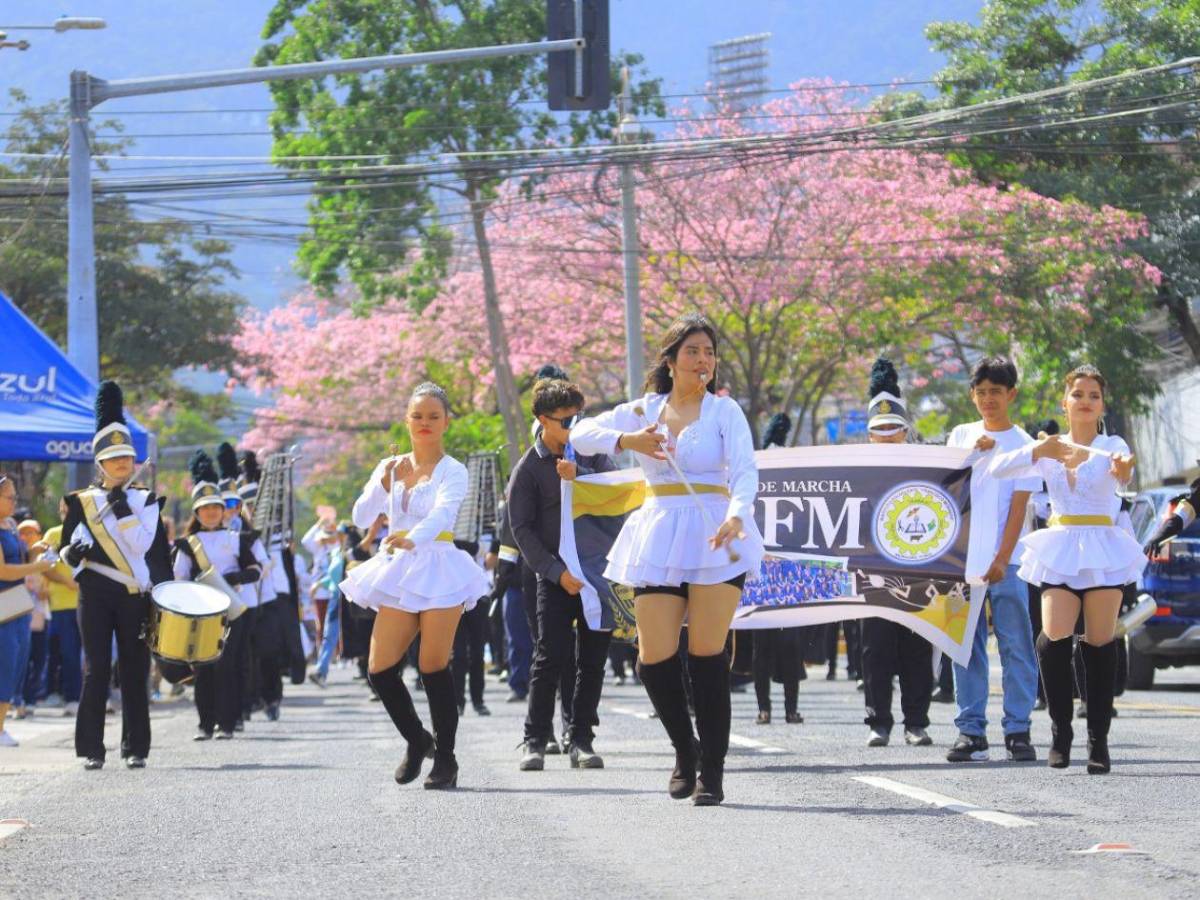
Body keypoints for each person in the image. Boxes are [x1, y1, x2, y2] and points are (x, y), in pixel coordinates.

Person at [571, 313, 764, 806]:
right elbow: (580, 433)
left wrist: (738, 515)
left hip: (715, 532)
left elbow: (745, 470)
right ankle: (685, 750)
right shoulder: (644, 410)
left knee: (706, 655)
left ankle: (712, 772)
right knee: (653, 658)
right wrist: (626, 441)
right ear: (671, 360)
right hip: (659, 532)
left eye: (709, 352)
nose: (703, 360)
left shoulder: (725, 411)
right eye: (692, 351)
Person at [982, 364, 1144, 774]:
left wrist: (1123, 470)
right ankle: (1061, 731)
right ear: (1065, 402)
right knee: (1054, 637)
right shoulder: (1049, 446)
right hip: (1061, 545)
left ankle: (1098, 740)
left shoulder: (1111, 443)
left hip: (1103, 547)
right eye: (1078, 394)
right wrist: (1039, 451)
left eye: (1094, 396)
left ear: (1102, 405)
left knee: (1100, 643)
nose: (1086, 401)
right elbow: (996, 469)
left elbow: (1123, 474)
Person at [341, 382, 490, 790]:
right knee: (379, 669)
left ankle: (446, 758)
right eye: (418, 416)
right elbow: (360, 517)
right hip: (399, 569)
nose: (425, 423)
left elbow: (443, 513)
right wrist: (384, 484)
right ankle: (416, 739)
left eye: (433, 416)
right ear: (407, 421)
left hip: (439, 565)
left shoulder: (453, 469)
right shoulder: (390, 466)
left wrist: (414, 537)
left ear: (446, 422)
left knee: (432, 664)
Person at [58, 381, 172, 770]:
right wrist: (72, 554)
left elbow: (140, 545)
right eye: (113, 458)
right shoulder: (80, 502)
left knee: (134, 671)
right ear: (100, 463)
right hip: (94, 592)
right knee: (95, 670)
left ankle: (136, 748)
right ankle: (91, 748)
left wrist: (122, 509)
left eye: (126, 456)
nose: (122, 463)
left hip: (133, 595)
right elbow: (65, 548)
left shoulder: (145, 500)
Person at [511, 378, 616, 773]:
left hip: (596, 574)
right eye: (566, 420)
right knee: (549, 657)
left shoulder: (593, 455)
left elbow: (615, 495)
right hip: (555, 578)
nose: (574, 426)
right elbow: (521, 529)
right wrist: (556, 573)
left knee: (593, 660)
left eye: (578, 417)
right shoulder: (528, 468)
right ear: (543, 420)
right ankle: (535, 739)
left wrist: (582, 476)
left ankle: (581, 738)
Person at [945, 357, 1040, 764]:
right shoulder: (961, 435)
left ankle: (1018, 728)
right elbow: (944, 489)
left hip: (1010, 560)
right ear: (972, 395)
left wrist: (1002, 558)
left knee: (1016, 643)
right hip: (962, 560)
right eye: (981, 392)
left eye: (996, 392)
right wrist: (971, 454)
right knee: (964, 645)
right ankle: (971, 731)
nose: (988, 399)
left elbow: (1019, 508)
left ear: (1011, 394)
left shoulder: (1024, 443)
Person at [858, 359, 935, 749]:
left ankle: (916, 722)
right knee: (875, 649)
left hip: (918, 569)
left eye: (893, 429)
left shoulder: (927, 466)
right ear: (869, 434)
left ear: (906, 430)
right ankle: (879, 722)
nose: (887, 436)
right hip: (872, 569)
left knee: (916, 647)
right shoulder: (854, 469)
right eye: (880, 430)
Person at [173, 451, 263, 740]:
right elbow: (179, 578)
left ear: (223, 510)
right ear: (197, 512)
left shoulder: (236, 539)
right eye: (205, 508)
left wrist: (235, 578)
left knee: (228, 667)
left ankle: (227, 723)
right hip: (201, 613)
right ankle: (205, 723)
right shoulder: (188, 544)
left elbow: (256, 570)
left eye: (215, 507)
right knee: (203, 669)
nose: (211, 512)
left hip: (232, 611)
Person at [0, 474, 54, 747]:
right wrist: (38, 566)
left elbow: (18, 559)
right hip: (3, 602)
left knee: (18, 662)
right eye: (9, 497)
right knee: (6, 661)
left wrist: (34, 551)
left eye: (14, 497)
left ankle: (2, 724)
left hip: (18, 602)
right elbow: (3, 571)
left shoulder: (10, 525)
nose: (14, 502)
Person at [39, 501, 82, 717]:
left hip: (90, 603)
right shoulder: (53, 535)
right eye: (63, 510)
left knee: (91, 655)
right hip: (62, 606)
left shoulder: (89, 533)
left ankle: (94, 697)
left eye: (70, 509)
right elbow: (44, 567)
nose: (66, 513)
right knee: (68, 652)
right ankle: (71, 697)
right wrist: (66, 582)